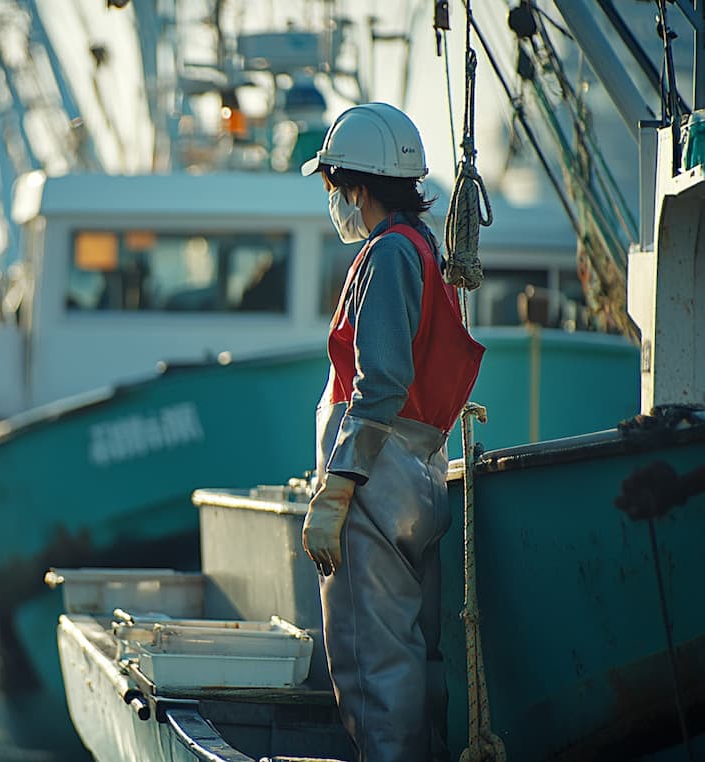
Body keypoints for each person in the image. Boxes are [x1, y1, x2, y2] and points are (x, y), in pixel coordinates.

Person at [299, 102, 485, 761]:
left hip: (374, 483)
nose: (335, 205)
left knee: (371, 666)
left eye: (333, 190)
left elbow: (377, 384)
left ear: (355, 186)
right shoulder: (423, 250)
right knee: (417, 656)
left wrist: (336, 490)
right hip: (419, 473)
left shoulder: (384, 257)